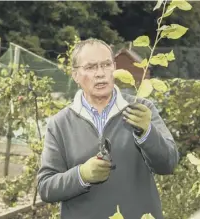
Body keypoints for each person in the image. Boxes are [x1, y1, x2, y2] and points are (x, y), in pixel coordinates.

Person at [37, 38, 179, 219]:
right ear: (75, 75)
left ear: (115, 68)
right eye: (90, 67)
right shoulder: (60, 124)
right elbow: (46, 187)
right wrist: (82, 175)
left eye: (106, 65)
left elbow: (168, 163)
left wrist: (147, 132)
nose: (100, 73)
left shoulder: (141, 110)